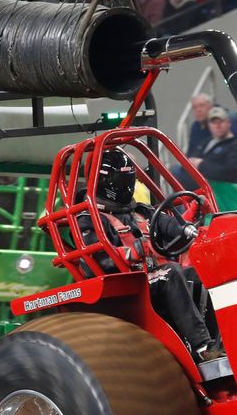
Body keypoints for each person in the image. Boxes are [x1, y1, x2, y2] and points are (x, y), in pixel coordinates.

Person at [82, 149, 218, 361]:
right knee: (171, 273)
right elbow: (96, 263)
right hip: (128, 288)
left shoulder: (142, 212)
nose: (127, 186)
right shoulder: (89, 220)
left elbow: (173, 228)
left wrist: (193, 214)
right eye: (122, 179)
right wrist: (130, 253)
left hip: (153, 279)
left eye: (129, 179)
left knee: (200, 273)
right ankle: (202, 347)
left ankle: (216, 345)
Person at [188, 107, 237, 185]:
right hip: (198, 185)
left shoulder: (236, 147)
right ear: (209, 125)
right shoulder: (206, 142)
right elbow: (192, 159)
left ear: (228, 123)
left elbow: (229, 173)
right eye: (214, 122)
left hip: (220, 190)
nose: (217, 125)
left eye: (221, 122)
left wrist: (201, 164)